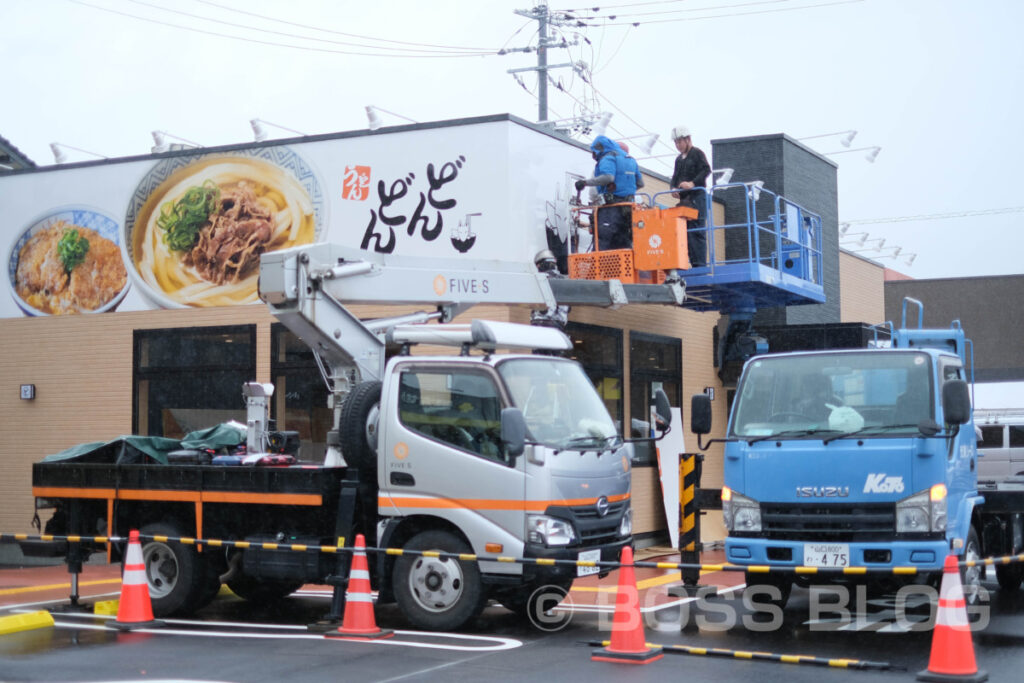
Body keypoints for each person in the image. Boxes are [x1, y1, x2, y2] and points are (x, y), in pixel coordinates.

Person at [574, 135, 637, 251]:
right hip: (626, 213)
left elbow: (595, 192)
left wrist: (585, 184)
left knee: (602, 244)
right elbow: (638, 186)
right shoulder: (630, 165)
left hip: (608, 211)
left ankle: (598, 267)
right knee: (623, 244)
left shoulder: (606, 164)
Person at [669, 125, 711, 268]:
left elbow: (706, 170)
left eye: (679, 142)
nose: (677, 145)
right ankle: (686, 263)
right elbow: (674, 177)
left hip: (697, 197)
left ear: (687, 139)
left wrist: (692, 183)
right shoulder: (679, 160)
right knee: (684, 232)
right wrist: (673, 189)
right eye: (676, 142)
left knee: (696, 231)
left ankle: (699, 265)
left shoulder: (697, 153)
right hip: (685, 201)